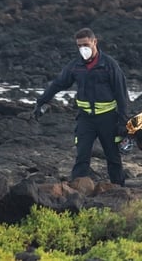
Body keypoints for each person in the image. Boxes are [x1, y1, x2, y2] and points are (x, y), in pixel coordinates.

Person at [33, 28, 130, 186]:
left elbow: (122, 94)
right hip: (86, 119)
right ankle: (77, 191)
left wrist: (123, 121)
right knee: (82, 156)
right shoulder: (75, 66)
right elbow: (58, 83)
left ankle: (119, 189)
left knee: (113, 158)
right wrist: (42, 101)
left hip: (108, 119)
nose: (82, 48)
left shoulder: (109, 65)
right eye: (79, 46)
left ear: (94, 42)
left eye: (85, 44)